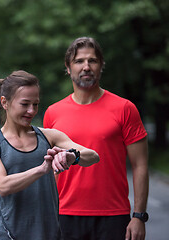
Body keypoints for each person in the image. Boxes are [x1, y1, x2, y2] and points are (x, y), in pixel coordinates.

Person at [43, 37, 149, 240]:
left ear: (101, 66)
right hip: (65, 215)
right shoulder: (53, 113)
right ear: (68, 68)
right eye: (79, 61)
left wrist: (139, 216)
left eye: (92, 61)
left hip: (113, 216)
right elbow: (51, 168)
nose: (86, 67)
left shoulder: (125, 109)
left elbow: (140, 165)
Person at [0, 70, 99, 239]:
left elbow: (93, 156)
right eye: (25, 104)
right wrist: (42, 169)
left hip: (49, 234)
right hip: (9, 236)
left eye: (35, 104)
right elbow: (3, 186)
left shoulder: (49, 136)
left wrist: (73, 156)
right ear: (5, 102)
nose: (31, 111)